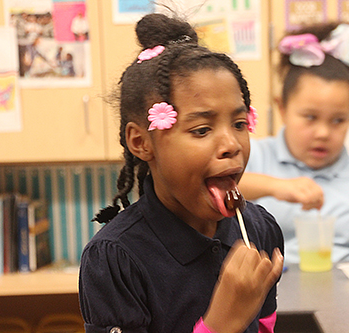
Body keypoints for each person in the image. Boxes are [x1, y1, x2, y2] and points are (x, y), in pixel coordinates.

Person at [78, 13, 284, 333]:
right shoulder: (115, 259)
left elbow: (267, 326)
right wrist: (221, 323)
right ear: (141, 142)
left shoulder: (260, 231)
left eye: (240, 124)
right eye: (202, 130)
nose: (232, 144)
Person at [239, 22, 349, 265]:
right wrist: (275, 187)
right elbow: (210, 189)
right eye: (310, 117)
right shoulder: (253, 158)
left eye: (338, 120)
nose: (323, 132)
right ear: (282, 107)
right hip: (273, 299)